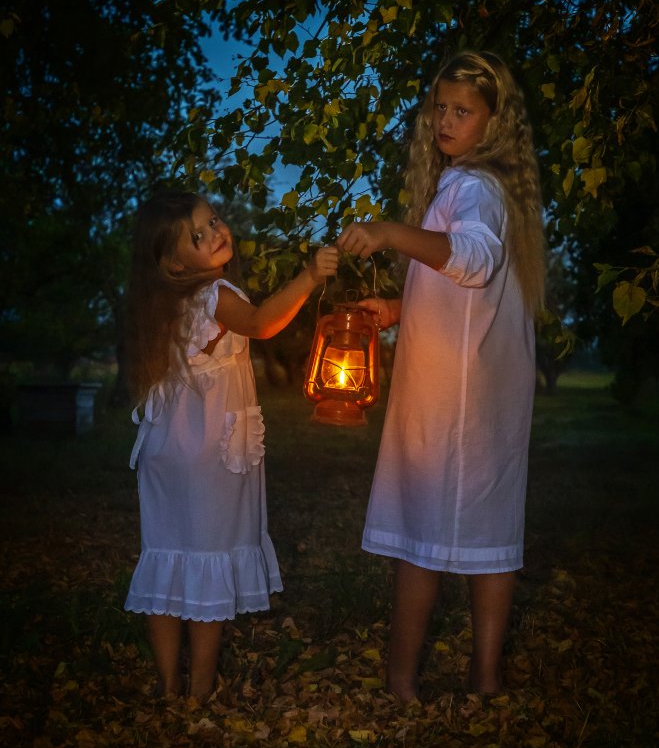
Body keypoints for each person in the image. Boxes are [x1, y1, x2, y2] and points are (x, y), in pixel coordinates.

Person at [337, 51, 545, 700]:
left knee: (419, 540)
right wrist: (401, 307)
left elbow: (474, 261)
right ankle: (483, 680)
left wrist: (388, 232)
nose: (445, 121)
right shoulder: (481, 188)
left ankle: (401, 684)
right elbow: (464, 289)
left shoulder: (472, 188)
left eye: (463, 111)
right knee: (488, 536)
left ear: (493, 122)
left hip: (452, 408)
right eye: (440, 109)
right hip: (477, 400)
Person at [124, 189, 338, 703]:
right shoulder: (217, 294)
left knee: (166, 554)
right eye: (199, 236)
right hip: (207, 452)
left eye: (214, 220)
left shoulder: (164, 303)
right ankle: (198, 691)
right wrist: (309, 277)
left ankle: (168, 685)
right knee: (207, 560)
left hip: (163, 449)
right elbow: (264, 323)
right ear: (175, 261)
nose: (217, 232)